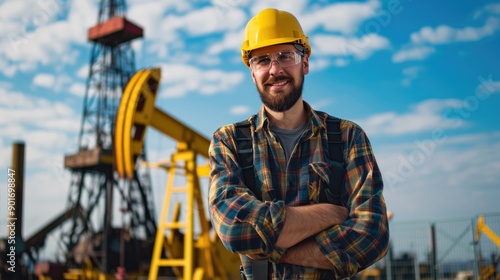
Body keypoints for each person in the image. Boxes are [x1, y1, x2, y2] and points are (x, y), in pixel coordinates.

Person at [208, 8, 389, 279]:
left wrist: (268, 247)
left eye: (285, 56)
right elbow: (234, 229)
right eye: (262, 60)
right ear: (252, 72)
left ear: (305, 63)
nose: (275, 69)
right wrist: (330, 214)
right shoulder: (229, 141)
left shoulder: (348, 137)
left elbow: (372, 237)